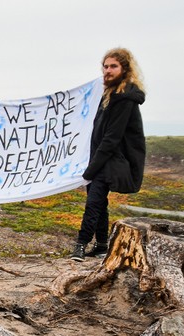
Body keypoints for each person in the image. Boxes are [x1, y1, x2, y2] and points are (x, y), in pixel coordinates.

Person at [71, 47, 146, 262]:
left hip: (112, 159)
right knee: (99, 202)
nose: (108, 70)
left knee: (93, 202)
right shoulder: (109, 93)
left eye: (113, 66)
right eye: (105, 66)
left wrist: (91, 169)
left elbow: (112, 137)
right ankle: (102, 244)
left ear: (124, 69)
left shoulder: (124, 98)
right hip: (102, 157)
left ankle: (81, 245)